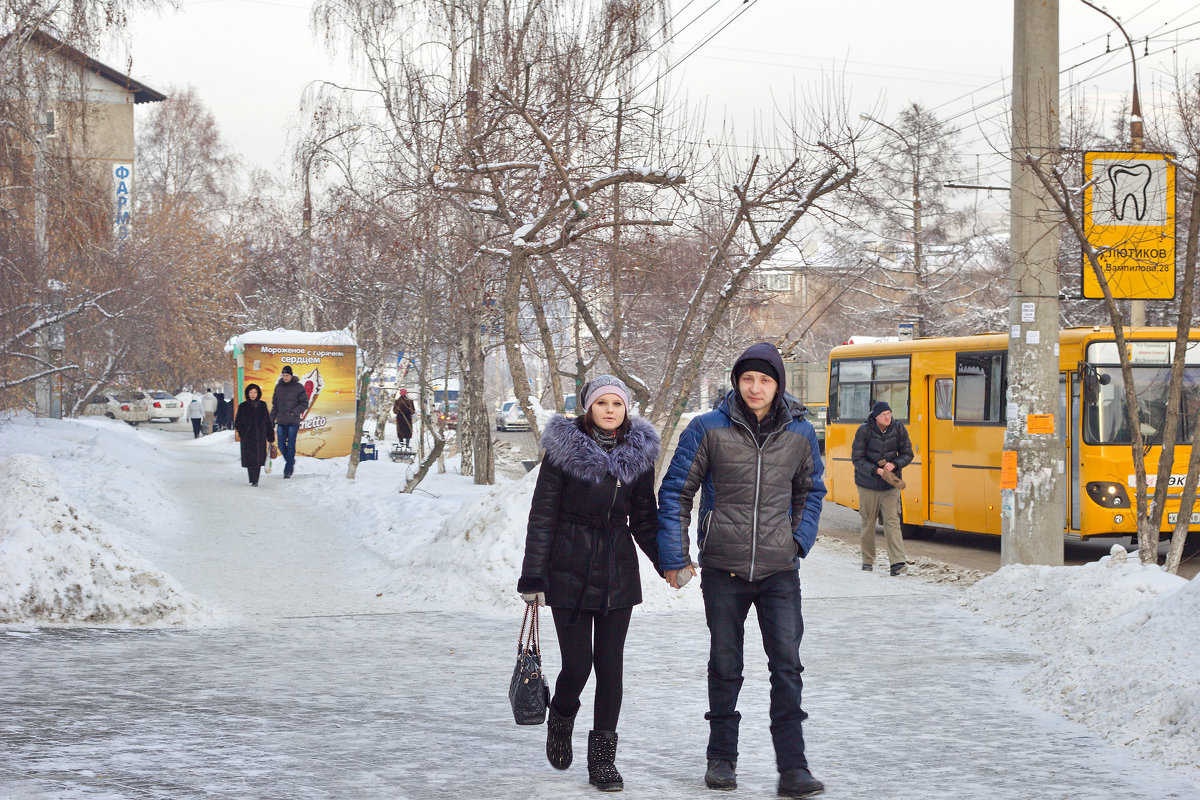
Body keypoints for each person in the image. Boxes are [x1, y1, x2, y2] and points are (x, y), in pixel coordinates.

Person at [657, 342, 826, 798]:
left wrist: (797, 541)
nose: (755, 387)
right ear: (737, 381)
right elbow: (676, 492)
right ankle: (722, 760)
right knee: (726, 665)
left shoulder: (799, 433)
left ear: (778, 384)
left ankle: (793, 768)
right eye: (748, 378)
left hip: (779, 570)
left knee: (787, 667)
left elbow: (810, 490)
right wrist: (677, 555)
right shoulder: (707, 429)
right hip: (723, 569)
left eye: (765, 380)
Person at [517, 375, 661, 793]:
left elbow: (645, 519)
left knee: (611, 666)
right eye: (603, 403)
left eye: (618, 403)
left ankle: (602, 761)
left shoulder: (638, 456)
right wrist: (533, 575)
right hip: (569, 566)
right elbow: (542, 516)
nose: (611, 409)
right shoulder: (562, 453)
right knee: (578, 665)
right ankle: (561, 717)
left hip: (617, 565)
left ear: (626, 408)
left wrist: (669, 562)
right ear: (588, 408)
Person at [851, 400, 913, 576]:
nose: (887, 417)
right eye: (883, 414)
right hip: (867, 484)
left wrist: (895, 464)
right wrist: (875, 470)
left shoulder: (898, 429)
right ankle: (868, 561)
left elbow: (908, 454)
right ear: (876, 416)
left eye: (889, 413)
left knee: (892, 521)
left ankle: (898, 562)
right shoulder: (864, 430)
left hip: (890, 485)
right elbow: (857, 458)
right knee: (868, 522)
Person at [271, 365, 309, 479]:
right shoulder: (278, 387)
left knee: (291, 445)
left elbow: (304, 403)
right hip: (281, 421)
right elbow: (275, 406)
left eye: (287, 375)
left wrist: (295, 412)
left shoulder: (298, 387)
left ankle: (287, 470)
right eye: (283, 375)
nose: (285, 377)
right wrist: (270, 420)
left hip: (293, 421)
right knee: (281, 445)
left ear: (291, 375)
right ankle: (291, 461)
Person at [234, 383, 275, 486]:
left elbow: (267, 421)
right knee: (250, 458)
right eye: (251, 392)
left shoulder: (262, 405)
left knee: (259, 458)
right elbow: (237, 422)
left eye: (255, 392)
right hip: (248, 437)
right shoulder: (243, 406)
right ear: (247, 394)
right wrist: (243, 433)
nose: (253, 394)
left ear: (258, 393)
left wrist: (270, 435)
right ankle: (253, 479)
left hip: (260, 436)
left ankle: (255, 480)